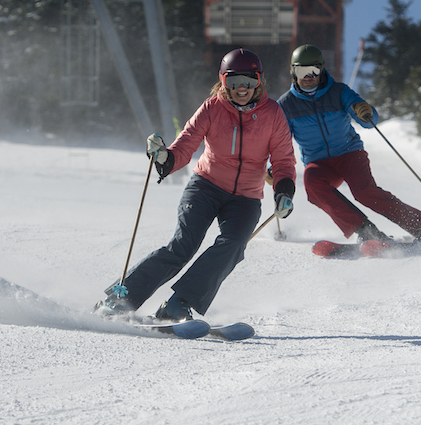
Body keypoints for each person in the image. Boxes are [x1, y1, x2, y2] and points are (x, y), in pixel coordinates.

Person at [96, 48, 297, 321]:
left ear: (259, 80)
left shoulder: (273, 114)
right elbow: (186, 144)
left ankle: (179, 303)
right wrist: (165, 158)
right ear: (223, 81)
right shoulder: (212, 107)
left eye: (249, 81)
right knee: (183, 246)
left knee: (234, 245)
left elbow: (284, 159)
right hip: (206, 187)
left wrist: (284, 190)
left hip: (246, 198)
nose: (242, 89)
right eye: (233, 82)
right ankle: (122, 297)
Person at [276, 44, 421, 243]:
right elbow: (280, 142)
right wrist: (275, 170)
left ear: (322, 69)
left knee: (364, 192)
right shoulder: (285, 105)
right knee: (312, 184)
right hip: (319, 162)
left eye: (313, 70)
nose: (308, 76)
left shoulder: (338, 91)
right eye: (301, 71)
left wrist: (364, 111)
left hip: (349, 154)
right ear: (293, 71)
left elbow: (367, 118)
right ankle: (367, 232)